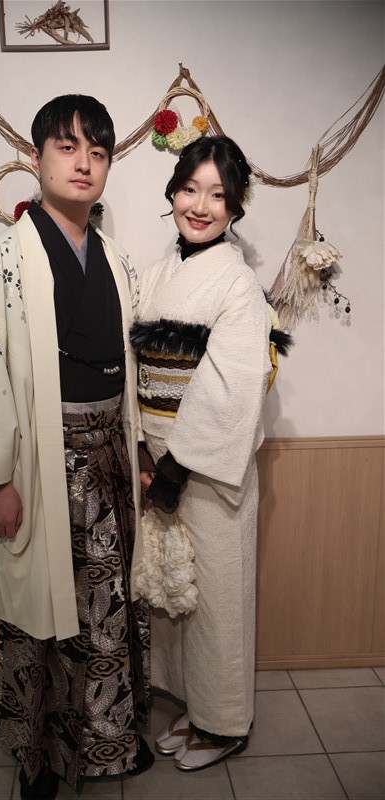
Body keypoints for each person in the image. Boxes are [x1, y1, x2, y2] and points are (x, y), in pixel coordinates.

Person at [0, 94, 152, 800]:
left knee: (106, 609)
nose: (83, 162)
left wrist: (138, 450)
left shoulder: (115, 259)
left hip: (108, 459)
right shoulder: (3, 257)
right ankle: (41, 760)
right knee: (40, 616)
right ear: (36, 158)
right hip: (40, 461)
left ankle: (108, 742)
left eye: (98, 150)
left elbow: (129, 368)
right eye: (67, 146)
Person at [131, 135, 292, 772]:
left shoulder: (238, 284)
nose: (200, 206)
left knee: (218, 597)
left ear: (235, 207)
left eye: (217, 196)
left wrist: (174, 467)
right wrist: (143, 449)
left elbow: (230, 387)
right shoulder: (158, 273)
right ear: (172, 192)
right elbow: (136, 370)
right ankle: (195, 708)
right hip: (159, 461)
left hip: (204, 470)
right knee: (176, 596)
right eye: (189, 189)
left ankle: (225, 725)